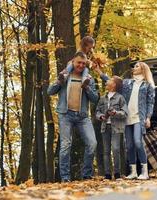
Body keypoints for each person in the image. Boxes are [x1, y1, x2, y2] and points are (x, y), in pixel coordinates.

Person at [96, 62, 155, 180]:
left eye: (137, 66)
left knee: (138, 142)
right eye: (134, 66)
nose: (134, 68)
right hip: (127, 118)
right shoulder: (128, 82)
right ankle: (133, 172)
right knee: (129, 146)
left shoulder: (148, 85)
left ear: (143, 69)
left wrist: (148, 117)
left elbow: (150, 102)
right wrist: (99, 72)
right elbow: (113, 83)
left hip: (140, 117)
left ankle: (144, 172)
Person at [47, 51, 99, 182]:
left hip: (82, 116)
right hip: (66, 115)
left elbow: (95, 99)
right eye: (78, 62)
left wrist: (87, 88)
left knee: (92, 143)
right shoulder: (65, 75)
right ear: (73, 62)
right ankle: (65, 178)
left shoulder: (89, 78)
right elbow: (50, 91)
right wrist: (59, 81)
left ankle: (87, 174)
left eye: (83, 63)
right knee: (66, 145)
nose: (81, 65)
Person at [96, 76, 128, 180]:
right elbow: (97, 111)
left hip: (117, 128)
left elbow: (125, 113)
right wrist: (101, 116)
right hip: (105, 127)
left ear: (114, 85)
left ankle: (117, 173)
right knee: (106, 151)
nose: (106, 82)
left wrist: (115, 113)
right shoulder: (102, 98)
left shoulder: (120, 98)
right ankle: (107, 174)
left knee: (115, 149)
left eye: (109, 81)